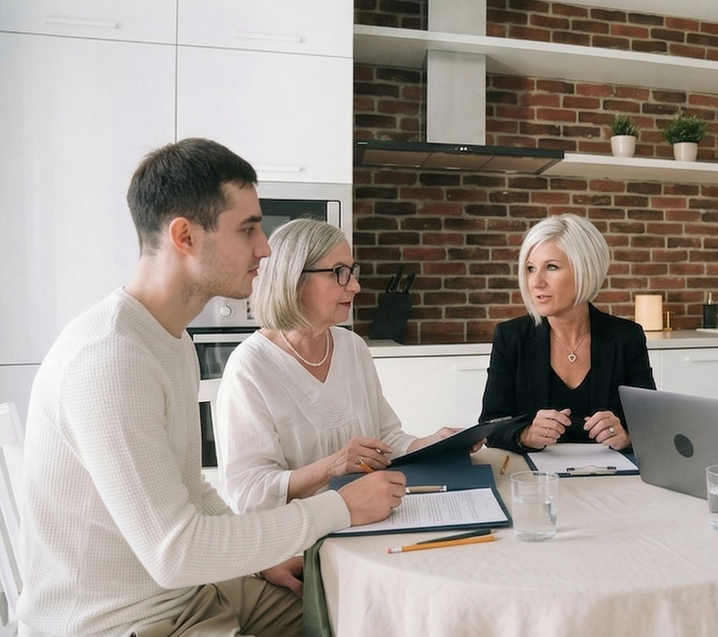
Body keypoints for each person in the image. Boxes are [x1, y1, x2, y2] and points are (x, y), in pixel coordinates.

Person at [17, 138, 406, 637]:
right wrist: (340, 507)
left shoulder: (170, 340)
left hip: (195, 593)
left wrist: (260, 561)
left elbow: (193, 490)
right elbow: (174, 553)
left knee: (361, 610)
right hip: (130, 622)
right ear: (184, 236)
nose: (265, 248)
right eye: (247, 229)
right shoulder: (109, 359)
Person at [215, 218, 479, 514]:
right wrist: (332, 466)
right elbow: (247, 493)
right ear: (294, 280)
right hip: (300, 539)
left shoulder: (352, 347)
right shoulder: (249, 367)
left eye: (352, 272)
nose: (355, 285)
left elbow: (386, 439)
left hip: (370, 518)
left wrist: (434, 444)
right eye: (340, 273)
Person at [480, 213, 656, 453]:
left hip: (611, 478)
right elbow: (490, 424)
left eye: (551, 267)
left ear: (585, 270)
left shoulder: (627, 337)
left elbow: (652, 425)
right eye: (531, 269)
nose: (536, 282)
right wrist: (526, 434)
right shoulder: (511, 337)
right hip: (536, 479)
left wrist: (626, 436)